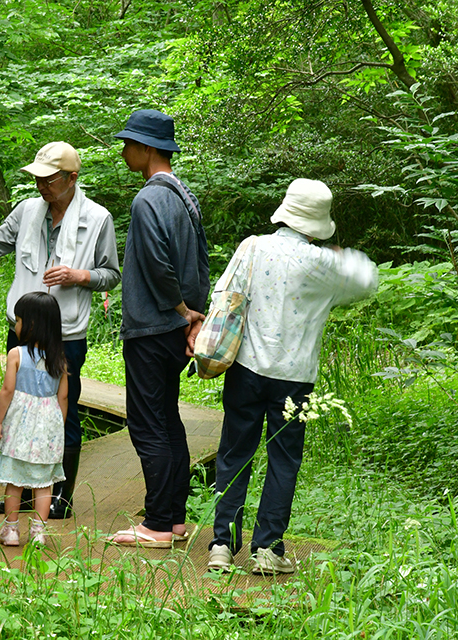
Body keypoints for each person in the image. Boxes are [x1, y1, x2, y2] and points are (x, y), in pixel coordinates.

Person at [206, 179, 378, 574]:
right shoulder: (323, 264)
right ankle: (267, 550)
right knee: (283, 461)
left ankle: (220, 545)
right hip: (295, 378)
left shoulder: (254, 247)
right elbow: (368, 278)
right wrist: (337, 255)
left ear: (285, 211)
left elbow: (223, 295)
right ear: (318, 223)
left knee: (234, 454)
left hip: (246, 368)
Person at [0, 141, 121, 519]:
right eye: (38, 179)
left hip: (67, 334)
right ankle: (23, 495)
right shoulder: (27, 211)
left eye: (49, 179)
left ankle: (60, 497)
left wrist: (80, 276)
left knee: (63, 411)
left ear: (72, 177)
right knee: (17, 409)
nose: (42, 186)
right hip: (23, 330)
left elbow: (111, 275)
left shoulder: (97, 218)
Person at [105, 109, 210, 548]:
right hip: (174, 330)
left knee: (147, 425)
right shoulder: (184, 195)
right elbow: (200, 265)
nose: (124, 150)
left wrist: (180, 309)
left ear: (147, 149)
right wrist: (193, 315)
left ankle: (157, 525)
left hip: (151, 329)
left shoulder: (148, 199)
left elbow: (156, 264)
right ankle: (175, 519)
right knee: (168, 420)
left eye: (129, 143)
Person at [0, 292, 69, 546]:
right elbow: (63, 398)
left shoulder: (16, 354)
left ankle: (11, 531)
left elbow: (7, 391)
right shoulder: (60, 359)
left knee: (14, 479)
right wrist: (58, 427)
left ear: (30, 325)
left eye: (18, 320)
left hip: (20, 424)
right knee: (43, 483)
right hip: (48, 426)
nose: (15, 325)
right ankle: (38, 532)